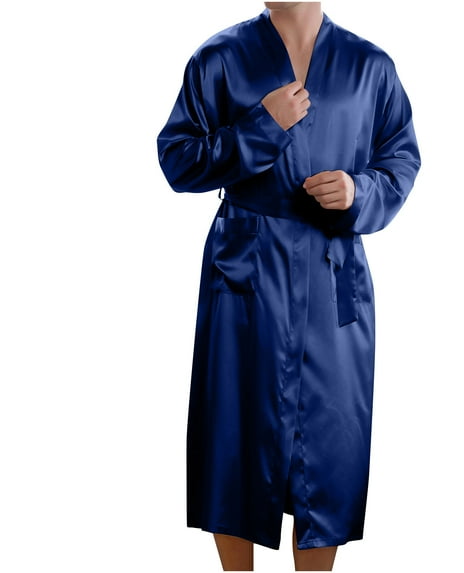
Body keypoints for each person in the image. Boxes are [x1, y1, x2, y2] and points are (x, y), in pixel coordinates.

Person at [157, 2, 420, 570]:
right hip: (245, 271)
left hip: (332, 271)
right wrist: (261, 127)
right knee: (234, 432)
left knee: (331, 444)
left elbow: (400, 158)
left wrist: (359, 191)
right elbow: (177, 159)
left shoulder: (369, 66)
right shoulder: (220, 58)